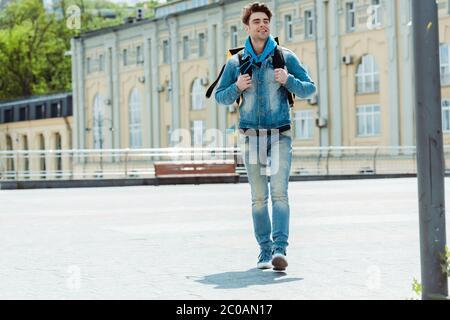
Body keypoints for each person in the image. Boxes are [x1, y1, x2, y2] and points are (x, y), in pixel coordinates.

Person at [215, 2, 316, 271]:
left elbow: (310, 88)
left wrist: (289, 81)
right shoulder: (235, 63)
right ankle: (264, 251)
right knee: (259, 197)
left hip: (280, 135)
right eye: (257, 21)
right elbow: (220, 97)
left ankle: (280, 250)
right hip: (251, 137)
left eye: (266, 21)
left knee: (279, 193)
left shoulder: (285, 57)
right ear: (247, 26)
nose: (263, 25)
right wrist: (236, 87)